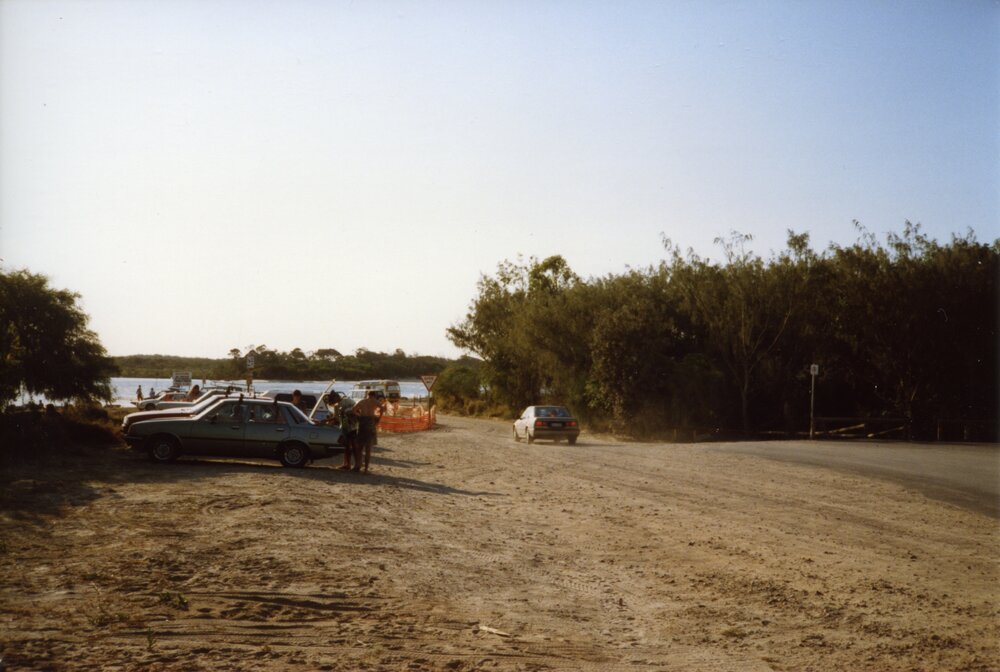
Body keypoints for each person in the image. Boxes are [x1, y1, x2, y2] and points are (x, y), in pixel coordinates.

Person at [352, 391, 382, 473]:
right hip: (370, 422)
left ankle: (358, 466)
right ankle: (366, 469)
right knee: (368, 448)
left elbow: (354, 410)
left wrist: (359, 416)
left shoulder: (362, 401)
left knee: (360, 447)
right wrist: (379, 418)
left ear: (368, 395)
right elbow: (382, 408)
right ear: (374, 395)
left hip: (362, 422)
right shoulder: (375, 401)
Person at [336, 395, 360, 470]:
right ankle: (348, 464)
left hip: (352, 428)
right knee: (348, 447)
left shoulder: (345, 405)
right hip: (348, 428)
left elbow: (351, 416)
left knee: (353, 447)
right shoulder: (345, 403)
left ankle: (355, 465)